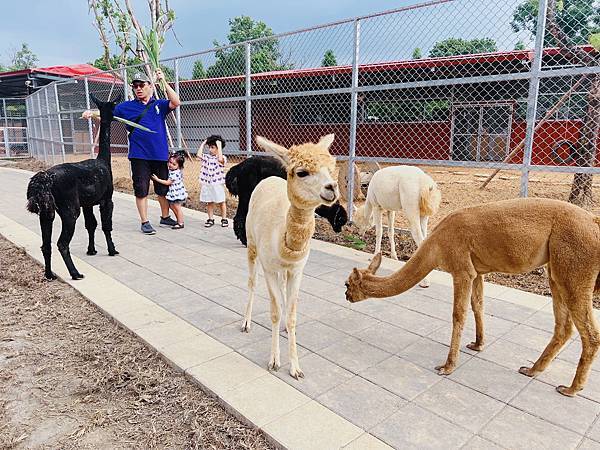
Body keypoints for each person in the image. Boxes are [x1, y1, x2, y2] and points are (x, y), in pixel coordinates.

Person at [83, 69, 181, 235]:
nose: (138, 88)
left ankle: (165, 217)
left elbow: (176, 102)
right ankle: (145, 221)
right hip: (139, 155)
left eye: (142, 85)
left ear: (150, 86)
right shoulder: (126, 107)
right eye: (135, 86)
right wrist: (92, 114)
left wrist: (163, 81)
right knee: (141, 189)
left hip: (159, 154)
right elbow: (106, 115)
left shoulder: (159, 104)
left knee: (162, 189)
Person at [197, 135, 228, 228]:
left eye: (213, 147)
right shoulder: (207, 157)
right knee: (209, 201)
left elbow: (220, 159)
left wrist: (219, 146)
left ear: (218, 148)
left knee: (221, 201)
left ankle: (224, 219)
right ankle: (210, 219)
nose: (210, 149)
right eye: (209, 147)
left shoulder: (223, 157)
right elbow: (198, 155)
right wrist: (203, 143)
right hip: (207, 183)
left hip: (217, 184)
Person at [151, 152, 188, 229]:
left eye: (174, 164)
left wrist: (157, 180)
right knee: (172, 206)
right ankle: (178, 221)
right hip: (174, 193)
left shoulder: (175, 173)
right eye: (170, 162)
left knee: (177, 208)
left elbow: (168, 182)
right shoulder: (173, 170)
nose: (170, 165)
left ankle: (181, 223)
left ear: (179, 166)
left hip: (177, 193)